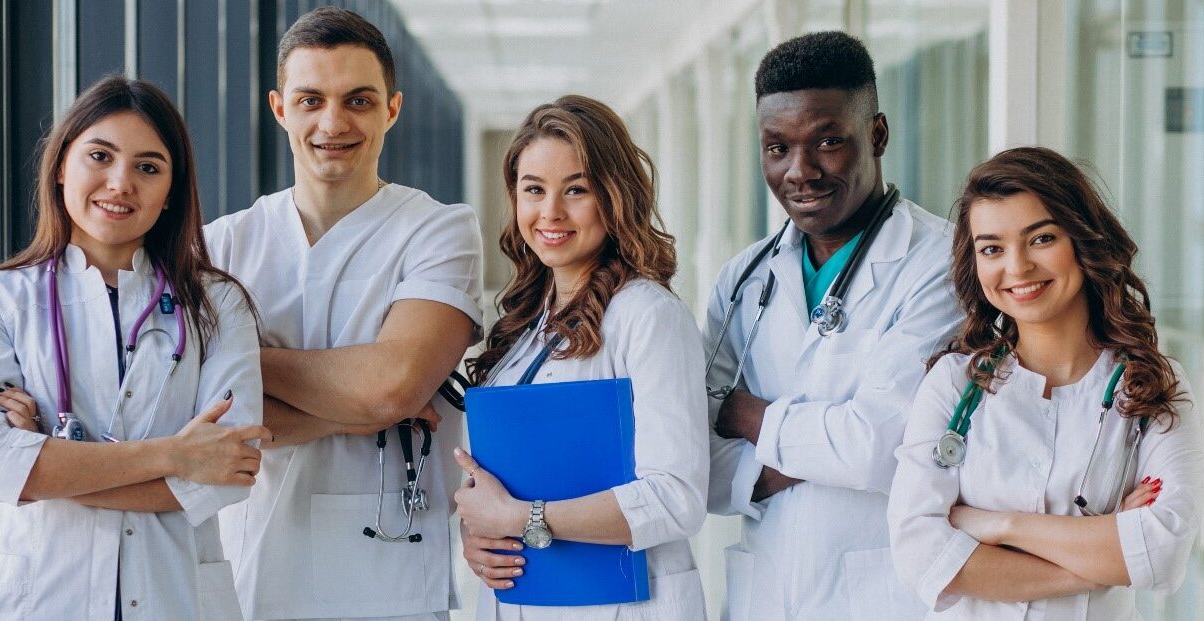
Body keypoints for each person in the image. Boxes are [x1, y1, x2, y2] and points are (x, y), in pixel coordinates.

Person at [0, 76, 268, 621]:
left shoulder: (217, 304)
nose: (120, 183)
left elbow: (225, 476)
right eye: (100, 155)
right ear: (60, 167)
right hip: (38, 599)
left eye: (148, 167)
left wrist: (50, 465)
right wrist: (174, 455)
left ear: (171, 192)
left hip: (175, 596)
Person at [203, 7, 483, 621]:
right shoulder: (219, 245)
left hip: (386, 573)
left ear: (392, 109)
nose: (333, 122)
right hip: (247, 563)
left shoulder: (439, 230)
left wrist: (237, 362)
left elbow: (391, 388)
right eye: (310, 100)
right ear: (279, 109)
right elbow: (195, 420)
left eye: (358, 100)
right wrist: (346, 416)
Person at [703, 31, 963, 619]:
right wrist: (823, 445)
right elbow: (699, 463)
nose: (800, 172)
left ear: (877, 135)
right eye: (777, 148)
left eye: (827, 142)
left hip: (883, 594)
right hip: (764, 593)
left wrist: (741, 412)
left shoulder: (940, 267)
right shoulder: (743, 278)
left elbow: (876, 449)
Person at [887, 146, 1204, 619]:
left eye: (1041, 239)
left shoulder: (1151, 385)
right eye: (992, 248)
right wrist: (1106, 557)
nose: (1016, 268)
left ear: (1082, 239)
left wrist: (998, 526)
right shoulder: (954, 386)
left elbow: (1163, 552)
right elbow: (920, 556)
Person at [451, 95, 709, 621]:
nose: (551, 212)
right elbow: (505, 480)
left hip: (624, 604)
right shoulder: (524, 323)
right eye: (534, 191)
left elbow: (677, 497)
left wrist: (522, 517)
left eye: (576, 190)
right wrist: (477, 534)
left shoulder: (648, 316)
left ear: (614, 197)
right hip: (523, 598)